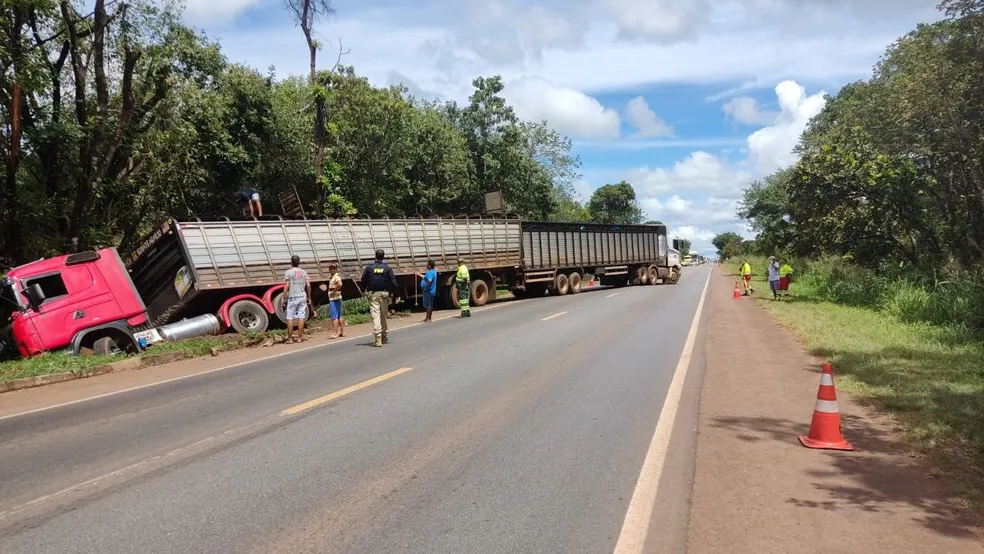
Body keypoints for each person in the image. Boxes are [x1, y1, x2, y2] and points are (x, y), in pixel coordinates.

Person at [361, 249, 398, 347]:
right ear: (383, 257)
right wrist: (396, 294)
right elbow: (394, 283)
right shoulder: (387, 268)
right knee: (383, 315)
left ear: (375, 256)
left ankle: (378, 338)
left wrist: (362, 290)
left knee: (376, 315)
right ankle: (384, 336)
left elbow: (363, 280)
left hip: (373, 295)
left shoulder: (369, 268)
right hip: (385, 295)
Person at [282, 255, 310, 343]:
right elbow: (308, 286)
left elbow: (286, 286)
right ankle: (299, 338)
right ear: (299, 262)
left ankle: (290, 339)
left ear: (291, 262)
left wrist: (283, 297)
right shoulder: (304, 272)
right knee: (301, 316)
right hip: (302, 296)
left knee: (290, 317)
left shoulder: (288, 272)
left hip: (293, 297)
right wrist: (309, 297)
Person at [327, 263, 344, 339]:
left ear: (336, 269)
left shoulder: (336, 277)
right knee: (339, 315)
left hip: (333, 299)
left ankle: (335, 333)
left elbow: (340, 284)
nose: (332, 270)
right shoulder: (332, 277)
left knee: (334, 317)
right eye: (331, 269)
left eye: (334, 269)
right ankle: (342, 332)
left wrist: (333, 292)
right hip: (337, 298)